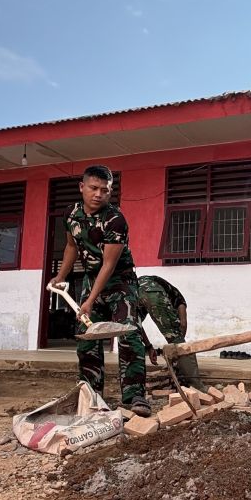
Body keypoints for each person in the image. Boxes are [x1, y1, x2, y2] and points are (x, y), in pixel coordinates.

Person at [48, 165, 153, 417]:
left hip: (120, 281)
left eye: (105, 190)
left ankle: (134, 395)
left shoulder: (115, 219)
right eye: (94, 188)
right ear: (82, 187)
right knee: (86, 335)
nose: (98, 194)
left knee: (128, 333)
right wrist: (61, 276)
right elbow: (72, 246)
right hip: (90, 278)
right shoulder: (71, 214)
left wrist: (89, 301)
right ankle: (90, 394)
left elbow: (109, 264)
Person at [138, 274, 204, 389]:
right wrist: (177, 347)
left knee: (131, 331)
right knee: (178, 339)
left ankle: (136, 387)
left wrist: (149, 347)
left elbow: (137, 325)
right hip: (150, 289)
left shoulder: (165, 290)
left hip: (132, 290)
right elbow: (182, 325)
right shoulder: (179, 300)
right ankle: (197, 386)